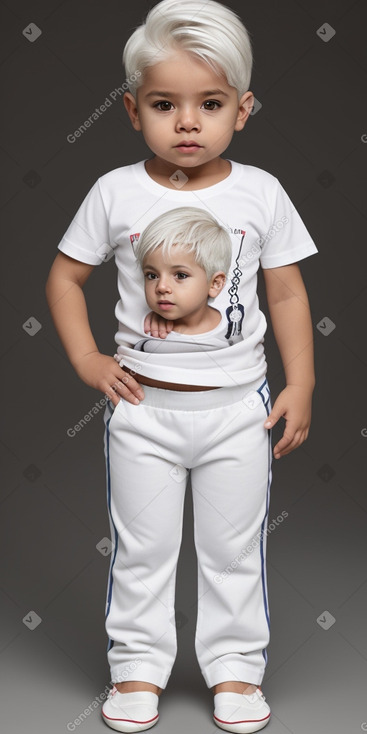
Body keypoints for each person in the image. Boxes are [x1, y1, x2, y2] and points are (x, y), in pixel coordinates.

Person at [45, 1, 318, 731]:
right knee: (142, 550)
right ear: (133, 111)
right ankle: (136, 668)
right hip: (144, 413)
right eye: (166, 105)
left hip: (237, 412)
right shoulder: (115, 191)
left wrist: (301, 382)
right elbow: (64, 279)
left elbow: (286, 291)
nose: (188, 123)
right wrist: (85, 357)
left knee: (233, 550)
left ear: (244, 108)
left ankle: (234, 672)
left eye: (210, 104)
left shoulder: (258, 193)